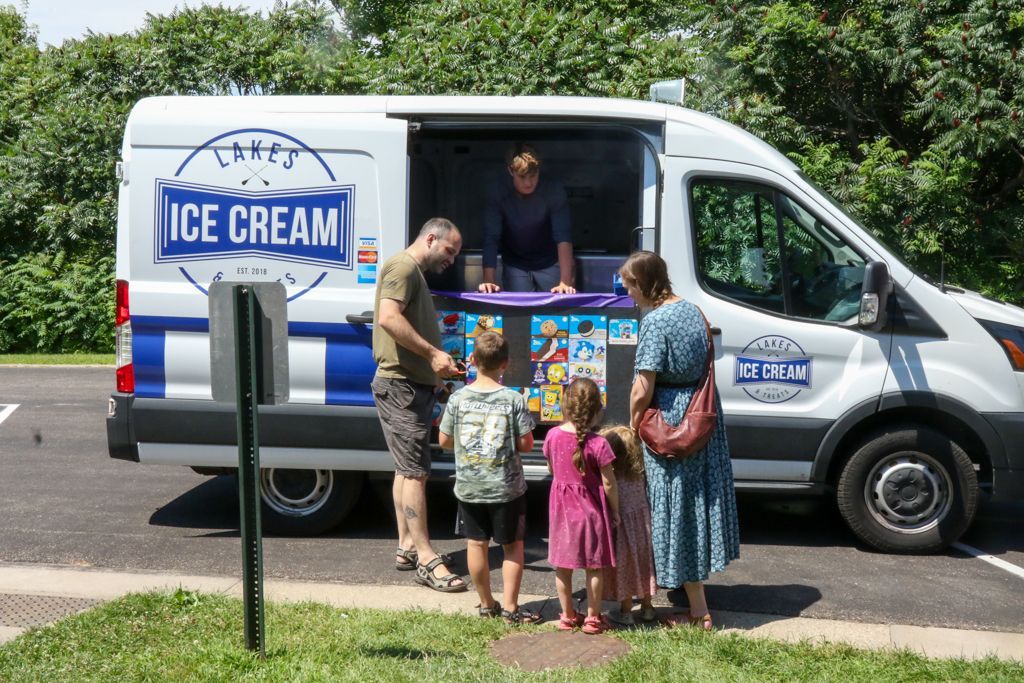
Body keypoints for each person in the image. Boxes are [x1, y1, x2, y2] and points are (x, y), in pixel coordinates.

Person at [620, 250, 740, 631]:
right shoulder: (693, 311)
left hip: (671, 423)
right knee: (695, 504)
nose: (628, 295)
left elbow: (643, 387)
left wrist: (632, 424)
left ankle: (697, 611)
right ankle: (694, 600)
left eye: (629, 287)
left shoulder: (655, 322)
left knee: (673, 508)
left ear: (643, 283)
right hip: (701, 418)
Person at [371, 217, 467, 593]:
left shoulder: (412, 272)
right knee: (414, 473)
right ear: (430, 239)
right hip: (402, 387)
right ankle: (427, 559)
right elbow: (388, 318)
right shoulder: (403, 267)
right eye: (449, 251)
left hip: (410, 385)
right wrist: (432, 355)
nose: (451, 260)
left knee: (407, 470)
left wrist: (435, 375)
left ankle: (408, 547)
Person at [438, 331, 541, 624]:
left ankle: (486, 604)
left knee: (476, 544)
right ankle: (510, 608)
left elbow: (444, 440)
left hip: (470, 487)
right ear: (505, 363)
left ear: (472, 360)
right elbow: (526, 444)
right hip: (506, 488)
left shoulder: (458, 399)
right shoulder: (513, 399)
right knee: (513, 547)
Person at [543, 378, 620, 634]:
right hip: (592, 515)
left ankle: (567, 616)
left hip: (561, 514)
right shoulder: (599, 444)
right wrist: (615, 511)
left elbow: (552, 469)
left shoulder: (552, 436)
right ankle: (593, 618)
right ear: (598, 409)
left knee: (562, 568)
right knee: (594, 567)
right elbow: (609, 483)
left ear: (566, 405)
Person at [479, 143, 577, 294]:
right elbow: (491, 237)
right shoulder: (497, 191)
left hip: (551, 261)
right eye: (522, 177)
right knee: (518, 307)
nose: (528, 182)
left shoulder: (553, 190)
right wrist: (488, 280)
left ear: (539, 171)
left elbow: (563, 236)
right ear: (510, 171)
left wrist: (565, 282)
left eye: (533, 176)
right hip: (515, 264)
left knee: (558, 305)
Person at [599, 425, 658, 626]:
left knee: (624, 568)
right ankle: (648, 608)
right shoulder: (640, 474)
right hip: (643, 529)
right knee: (644, 566)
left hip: (622, 532)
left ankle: (625, 612)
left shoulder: (611, 477)